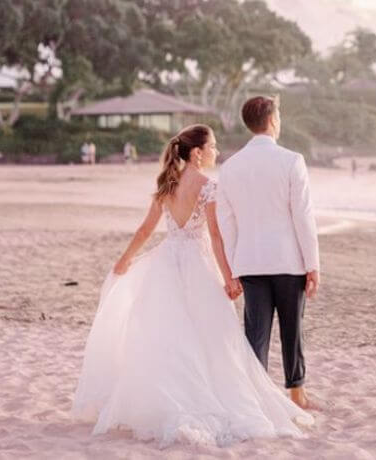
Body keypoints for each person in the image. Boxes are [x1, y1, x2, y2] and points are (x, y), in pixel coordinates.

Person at [71, 124, 312, 447]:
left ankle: (171, 400)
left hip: (168, 263)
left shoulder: (166, 184)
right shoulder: (207, 187)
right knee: (213, 337)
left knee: (170, 337)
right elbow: (215, 237)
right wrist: (229, 277)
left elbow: (145, 231)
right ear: (197, 153)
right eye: (212, 146)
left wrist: (124, 260)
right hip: (198, 267)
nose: (216, 151)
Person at [217, 96, 320, 411]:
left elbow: (227, 221)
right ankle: (297, 394)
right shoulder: (292, 160)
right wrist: (312, 264)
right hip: (288, 260)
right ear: (273, 121)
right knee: (293, 329)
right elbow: (303, 216)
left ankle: (255, 397)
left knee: (255, 333)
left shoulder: (231, 166)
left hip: (249, 261)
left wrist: (233, 268)